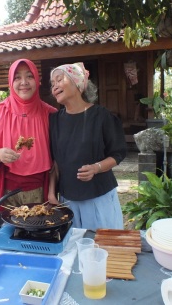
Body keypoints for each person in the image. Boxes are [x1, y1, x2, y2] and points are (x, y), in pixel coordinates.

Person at [49, 62, 127, 230]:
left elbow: (118, 153)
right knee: (75, 249)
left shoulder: (101, 116)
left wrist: (96, 168)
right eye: (52, 83)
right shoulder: (54, 121)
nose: (54, 85)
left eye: (59, 79)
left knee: (103, 248)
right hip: (68, 199)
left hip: (98, 197)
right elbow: (56, 161)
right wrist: (51, 192)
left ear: (77, 82)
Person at [0, 58, 58, 207]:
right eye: (17, 77)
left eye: (29, 76)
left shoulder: (51, 114)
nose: (24, 82)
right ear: (10, 83)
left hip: (40, 192)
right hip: (5, 192)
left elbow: (58, 159)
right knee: (6, 230)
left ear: (37, 80)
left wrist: (52, 192)